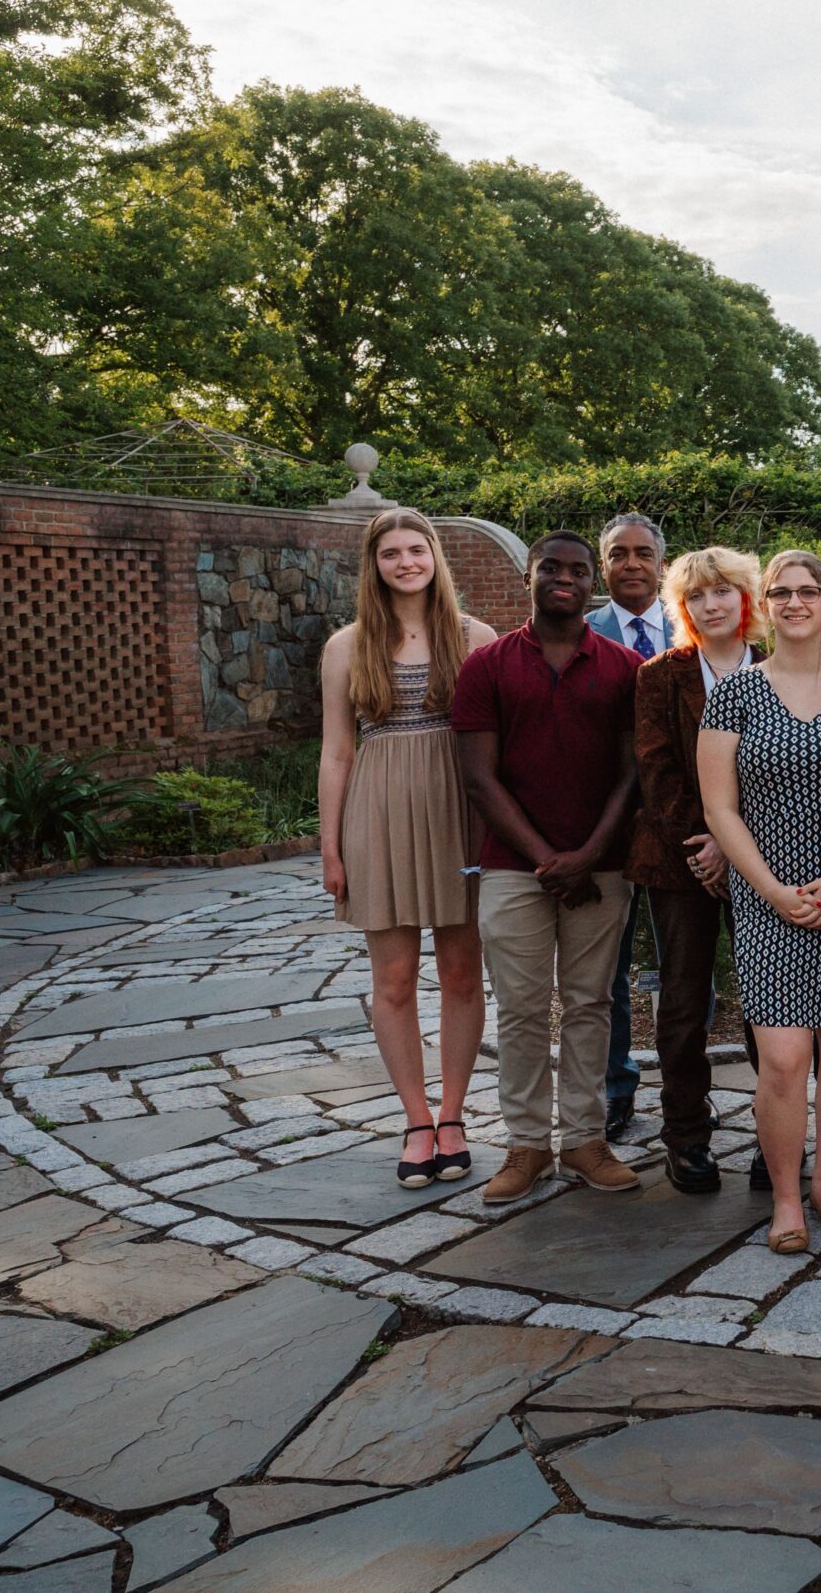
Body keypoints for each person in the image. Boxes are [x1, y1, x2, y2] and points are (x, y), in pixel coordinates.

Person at [452, 531, 643, 1203]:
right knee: (523, 1009)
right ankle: (527, 1144)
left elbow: (633, 773)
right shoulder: (488, 666)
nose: (565, 578)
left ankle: (587, 1140)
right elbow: (479, 777)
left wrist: (589, 854)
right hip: (513, 868)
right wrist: (546, 859)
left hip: (602, 865)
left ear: (593, 583)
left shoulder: (623, 666)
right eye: (551, 568)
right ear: (527, 578)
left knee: (593, 1003)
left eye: (577, 569)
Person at [699, 549, 821, 1251]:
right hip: (766, 897)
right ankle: (784, 1198)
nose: (797, 601)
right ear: (765, 605)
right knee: (780, 1058)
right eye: (783, 592)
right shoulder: (735, 693)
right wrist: (771, 890)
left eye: (811, 591)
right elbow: (720, 809)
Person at [317, 509, 499, 1189]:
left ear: (434, 556)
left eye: (415, 549)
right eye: (391, 552)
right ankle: (416, 1120)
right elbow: (337, 752)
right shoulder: (347, 646)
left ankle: (454, 1116)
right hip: (380, 813)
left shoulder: (475, 636)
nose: (405, 562)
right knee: (392, 981)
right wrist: (330, 845)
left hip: (457, 811)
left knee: (460, 972)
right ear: (375, 564)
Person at [627, 546, 765, 1195]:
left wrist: (739, 845)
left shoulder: (775, 670)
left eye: (724, 591)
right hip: (684, 863)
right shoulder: (660, 675)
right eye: (699, 595)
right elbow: (656, 770)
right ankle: (685, 1137)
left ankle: (777, 1133)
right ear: (685, 607)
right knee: (683, 1002)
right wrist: (706, 841)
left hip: (767, 858)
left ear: (746, 599)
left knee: (770, 999)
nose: (712, 604)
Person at [588, 511, 673, 1142]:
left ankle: (684, 1091)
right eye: (619, 554)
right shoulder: (582, 633)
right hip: (608, 828)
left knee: (683, 970)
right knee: (607, 973)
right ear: (604, 564)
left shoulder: (693, 626)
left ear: (662, 563)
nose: (632, 564)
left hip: (681, 830)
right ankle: (616, 1089)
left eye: (643, 553)